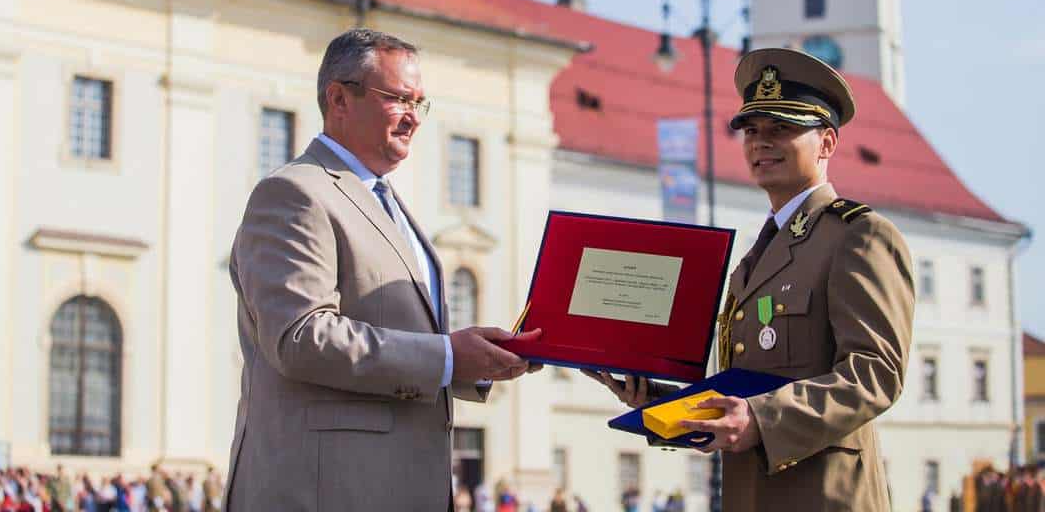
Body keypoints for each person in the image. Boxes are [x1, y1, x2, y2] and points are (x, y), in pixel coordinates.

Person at [222, 28, 538, 511]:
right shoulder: (295, 193)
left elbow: (402, 335)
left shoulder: (387, 202)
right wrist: (448, 357)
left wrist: (482, 360)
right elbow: (301, 338)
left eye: (420, 103)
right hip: (325, 492)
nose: (413, 117)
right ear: (339, 99)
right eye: (397, 99)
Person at [586, 48, 914, 511]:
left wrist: (762, 419)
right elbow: (745, 385)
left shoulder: (859, 236)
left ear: (826, 143)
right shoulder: (756, 257)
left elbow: (875, 374)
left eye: (782, 128)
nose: (761, 143)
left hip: (824, 494)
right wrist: (661, 404)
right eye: (752, 130)